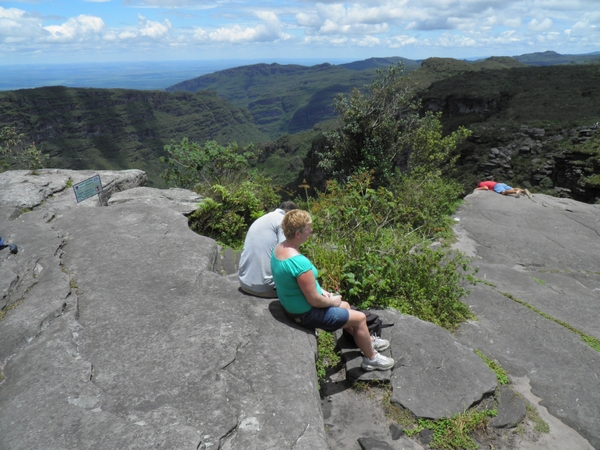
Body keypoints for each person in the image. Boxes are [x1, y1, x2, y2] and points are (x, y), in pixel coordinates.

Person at [271, 209, 395, 372]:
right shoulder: (299, 262)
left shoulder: (280, 248)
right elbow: (314, 300)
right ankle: (371, 358)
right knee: (359, 318)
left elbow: (300, 283)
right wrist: (332, 300)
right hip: (305, 314)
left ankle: (367, 339)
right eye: (308, 228)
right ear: (298, 233)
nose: (311, 230)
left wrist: (321, 290)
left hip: (294, 307)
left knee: (346, 306)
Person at [238, 201, 299, 298]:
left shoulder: (264, 218)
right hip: (264, 288)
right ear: (290, 213)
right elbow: (286, 253)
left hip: (244, 282)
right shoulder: (283, 220)